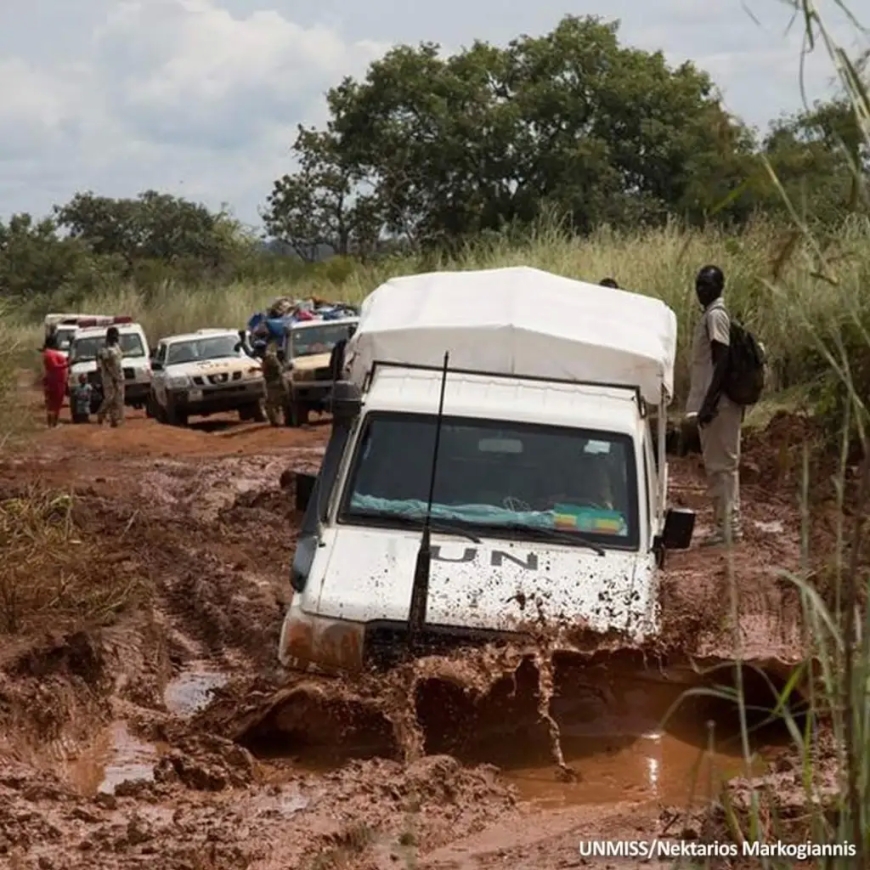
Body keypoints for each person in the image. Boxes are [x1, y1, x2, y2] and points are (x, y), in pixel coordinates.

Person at [685, 265, 742, 546]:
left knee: (722, 467)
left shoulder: (716, 316)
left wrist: (709, 402)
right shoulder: (710, 315)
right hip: (716, 403)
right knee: (719, 465)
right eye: (698, 285)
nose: (701, 290)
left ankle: (728, 529)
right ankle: (726, 526)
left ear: (719, 287)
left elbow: (723, 360)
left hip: (719, 404)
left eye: (706, 285)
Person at [96, 326, 125, 427]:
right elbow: (107, 364)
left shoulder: (117, 346)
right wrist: (114, 377)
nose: (116, 338)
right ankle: (101, 413)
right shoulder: (104, 348)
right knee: (109, 398)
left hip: (119, 375)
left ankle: (114, 419)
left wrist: (118, 377)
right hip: (109, 377)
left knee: (118, 398)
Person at [41, 333, 68, 428]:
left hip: (55, 380)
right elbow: (54, 366)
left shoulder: (48, 353)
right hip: (56, 381)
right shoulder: (50, 353)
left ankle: (52, 423)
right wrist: (66, 364)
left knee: (53, 402)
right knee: (55, 402)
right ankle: (53, 424)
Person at [261, 339, 288, 426]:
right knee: (274, 403)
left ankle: (276, 422)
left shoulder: (270, 358)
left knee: (272, 403)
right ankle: (277, 421)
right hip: (272, 382)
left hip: (274, 382)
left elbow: (278, 369)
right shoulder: (267, 358)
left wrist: (279, 380)